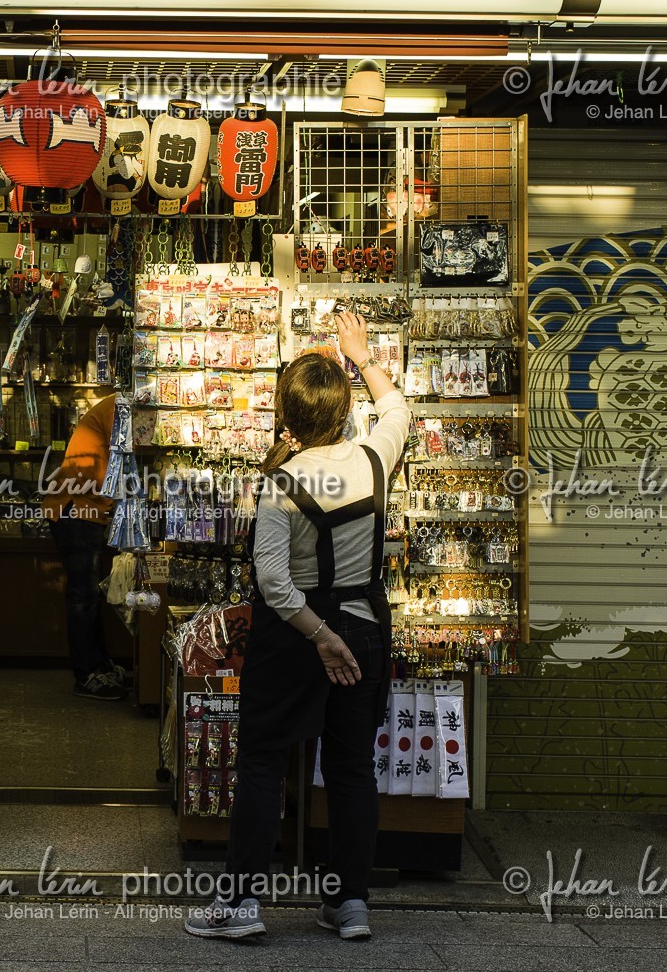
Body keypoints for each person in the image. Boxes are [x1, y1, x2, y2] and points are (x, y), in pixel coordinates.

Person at [187, 311, 408, 943]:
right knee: (350, 768)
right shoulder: (373, 459)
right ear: (342, 411)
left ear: (286, 414)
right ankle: (350, 903)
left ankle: (241, 903)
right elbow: (398, 409)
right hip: (365, 627)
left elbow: (274, 582)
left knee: (262, 759)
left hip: (296, 635)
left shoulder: (281, 484)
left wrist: (320, 635)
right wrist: (359, 354)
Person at [41, 393, 128, 701]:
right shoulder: (120, 408)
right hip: (74, 507)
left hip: (83, 507)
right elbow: (124, 458)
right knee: (83, 595)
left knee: (90, 594)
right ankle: (87, 675)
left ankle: (100, 666)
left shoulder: (117, 407)